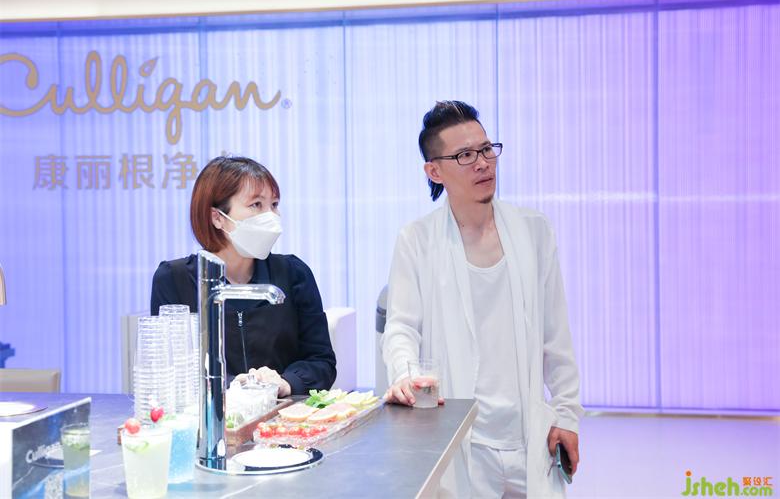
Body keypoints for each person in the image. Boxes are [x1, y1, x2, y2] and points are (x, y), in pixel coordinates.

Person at [381, 101, 584, 498]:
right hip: (464, 441)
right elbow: (401, 326)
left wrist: (567, 414)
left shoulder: (534, 231)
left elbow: (556, 334)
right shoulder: (417, 240)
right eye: (465, 155)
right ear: (434, 171)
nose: (483, 163)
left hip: (530, 437)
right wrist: (405, 374)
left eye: (487, 149)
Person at [150, 156, 336, 397]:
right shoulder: (173, 279)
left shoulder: (293, 273)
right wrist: (232, 385)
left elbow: (321, 361)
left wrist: (285, 383)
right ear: (217, 217)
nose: (271, 216)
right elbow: (171, 369)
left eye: (274, 205)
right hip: (210, 412)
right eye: (256, 205)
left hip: (281, 413)